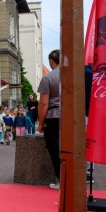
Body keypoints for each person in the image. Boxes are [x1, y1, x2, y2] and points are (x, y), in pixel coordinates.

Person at [38, 49, 61, 190]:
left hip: (54, 117)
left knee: (55, 148)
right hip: (72, 117)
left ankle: (61, 180)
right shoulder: (73, 75)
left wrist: (41, 123)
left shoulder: (48, 78)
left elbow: (43, 103)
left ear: (51, 61)